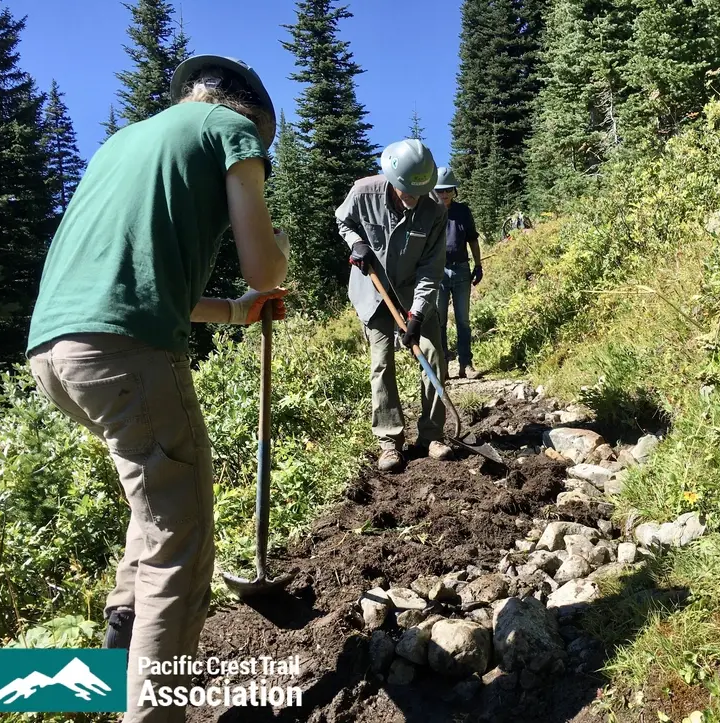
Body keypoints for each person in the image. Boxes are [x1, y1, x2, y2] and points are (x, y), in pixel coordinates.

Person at [25, 54, 288, 722]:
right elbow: (265, 265)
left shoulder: (124, 142)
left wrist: (233, 310)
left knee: (152, 518)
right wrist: (273, 271)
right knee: (182, 544)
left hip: (56, 352)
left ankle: (84, 687)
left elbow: (136, 279)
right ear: (248, 112)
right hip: (129, 356)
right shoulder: (230, 130)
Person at [336, 139, 452, 472]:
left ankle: (432, 435)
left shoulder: (434, 213)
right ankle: (389, 441)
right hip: (374, 292)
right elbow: (343, 221)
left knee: (432, 353)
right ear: (392, 178)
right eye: (404, 191)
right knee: (381, 362)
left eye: (417, 193)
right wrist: (356, 243)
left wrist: (416, 314)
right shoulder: (363, 193)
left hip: (415, 292)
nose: (410, 199)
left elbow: (431, 269)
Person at [433, 167, 482, 379]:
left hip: (461, 269)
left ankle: (466, 364)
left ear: (455, 191)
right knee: (439, 321)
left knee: (463, 320)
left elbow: (472, 239)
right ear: (434, 191)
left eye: (448, 190)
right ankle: (442, 365)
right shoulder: (429, 212)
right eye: (440, 191)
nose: (444, 195)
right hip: (437, 272)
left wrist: (478, 265)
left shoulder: (463, 211)